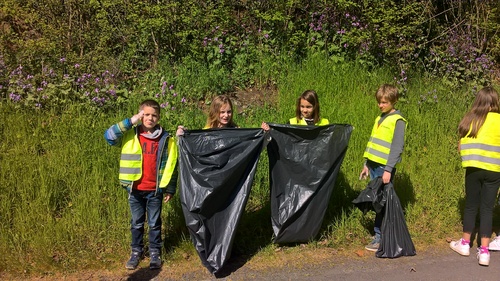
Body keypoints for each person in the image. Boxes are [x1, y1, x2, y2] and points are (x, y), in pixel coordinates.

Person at [104, 99, 178, 270]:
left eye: (154, 115)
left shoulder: (166, 139)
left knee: (154, 223)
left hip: (155, 190)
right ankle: (136, 252)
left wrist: (170, 188)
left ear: (158, 117)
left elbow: (172, 165)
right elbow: (109, 136)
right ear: (140, 115)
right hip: (135, 189)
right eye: (146, 115)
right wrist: (131, 121)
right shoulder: (131, 134)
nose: (150, 118)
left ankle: (154, 252)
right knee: (137, 222)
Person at [449, 87, 500, 266]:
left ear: (478, 100)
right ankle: (484, 252)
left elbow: (460, 147)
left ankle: (464, 244)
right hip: (494, 170)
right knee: (487, 208)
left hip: (473, 169)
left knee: (471, 205)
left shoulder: (471, 118)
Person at [359, 84, 407, 252]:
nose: (380, 105)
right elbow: (373, 142)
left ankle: (381, 238)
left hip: (383, 168)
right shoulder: (380, 118)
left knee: (382, 202)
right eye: (379, 102)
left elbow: (396, 147)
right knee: (377, 201)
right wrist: (366, 164)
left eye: (384, 102)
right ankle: (379, 235)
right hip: (373, 165)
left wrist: (388, 169)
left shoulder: (398, 121)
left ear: (394, 101)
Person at [261, 89, 329, 131]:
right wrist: (268, 130)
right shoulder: (292, 123)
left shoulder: (325, 124)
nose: (305, 110)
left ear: (315, 107)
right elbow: (281, 138)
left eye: (308, 107)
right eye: (302, 106)